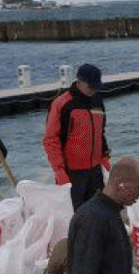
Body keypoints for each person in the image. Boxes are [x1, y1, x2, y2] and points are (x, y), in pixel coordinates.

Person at [43, 63, 110, 209]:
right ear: (79, 82)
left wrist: (104, 157)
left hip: (95, 170)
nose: (94, 90)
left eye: (96, 87)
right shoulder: (62, 103)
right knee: (74, 215)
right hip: (72, 173)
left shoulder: (97, 101)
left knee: (97, 212)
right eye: (90, 86)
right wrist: (59, 170)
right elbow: (50, 139)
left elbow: (100, 133)